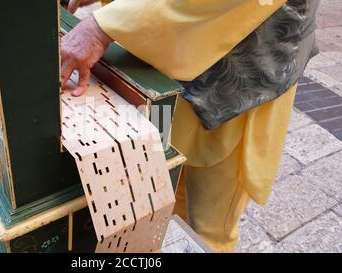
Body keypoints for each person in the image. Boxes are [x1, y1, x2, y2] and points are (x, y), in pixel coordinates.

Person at [61, 0, 320, 252]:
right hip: (162, 67)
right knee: (160, 193)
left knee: (208, 228)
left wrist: (103, 27)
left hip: (237, 84)